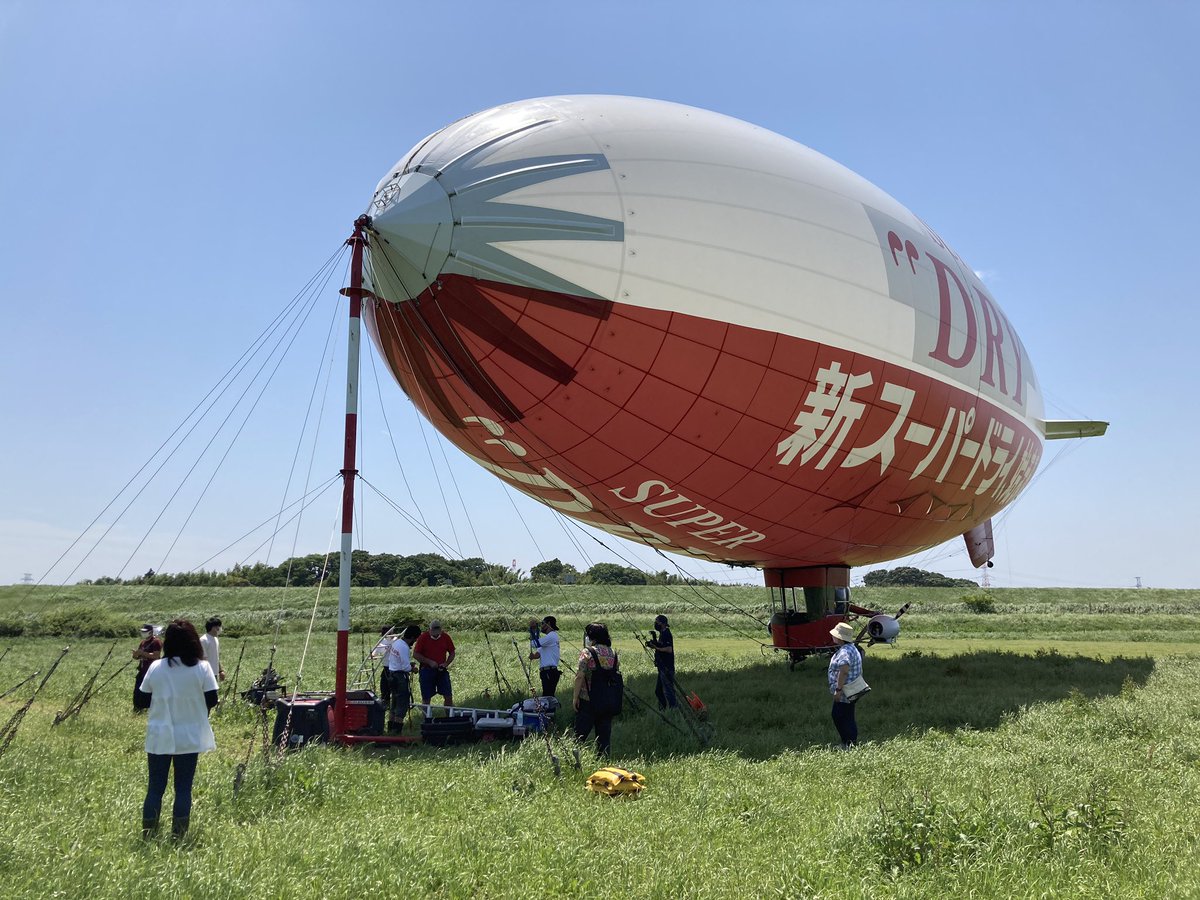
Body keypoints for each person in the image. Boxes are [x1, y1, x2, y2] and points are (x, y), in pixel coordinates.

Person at [135, 619, 219, 840]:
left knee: (155, 788)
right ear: (194, 641)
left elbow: (142, 699)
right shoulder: (203, 668)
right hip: (189, 734)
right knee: (183, 789)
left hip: (159, 733)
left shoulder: (156, 667)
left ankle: (149, 834)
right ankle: (178, 836)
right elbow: (212, 699)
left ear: (169, 642)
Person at [573, 621, 618, 756]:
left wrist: (575, 697)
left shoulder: (587, 652)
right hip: (607, 700)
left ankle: (575, 761)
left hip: (588, 699)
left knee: (579, 737)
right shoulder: (613, 653)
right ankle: (604, 765)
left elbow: (580, 676)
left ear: (592, 636)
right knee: (604, 739)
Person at [374, 625, 419, 731]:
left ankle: (390, 727)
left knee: (394, 702)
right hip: (400, 677)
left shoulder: (397, 643)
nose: (415, 641)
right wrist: (413, 669)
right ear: (412, 637)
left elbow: (397, 660)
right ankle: (397, 730)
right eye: (415, 639)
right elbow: (405, 667)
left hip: (392, 675)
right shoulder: (404, 647)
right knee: (402, 703)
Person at [827, 621, 862, 749]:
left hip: (845, 691)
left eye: (835, 634)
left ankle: (847, 743)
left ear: (840, 638)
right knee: (848, 715)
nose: (832, 636)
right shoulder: (852, 648)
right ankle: (850, 742)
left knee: (838, 715)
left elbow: (844, 670)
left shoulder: (844, 652)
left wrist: (838, 689)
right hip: (853, 689)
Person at [412, 619, 455, 708]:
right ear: (430, 630)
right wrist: (429, 661)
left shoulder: (445, 637)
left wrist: (446, 663)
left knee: (448, 696)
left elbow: (452, 652)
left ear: (441, 631)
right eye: (433, 633)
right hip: (426, 670)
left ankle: (449, 718)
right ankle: (427, 719)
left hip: (441, 670)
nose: (436, 636)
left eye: (438, 634)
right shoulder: (423, 637)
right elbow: (416, 654)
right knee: (426, 697)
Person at [645, 614, 678, 710]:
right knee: (658, 691)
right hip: (661, 667)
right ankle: (662, 710)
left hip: (667, 668)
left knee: (668, 691)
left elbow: (668, 649)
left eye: (657, 622)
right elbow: (660, 645)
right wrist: (654, 643)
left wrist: (656, 647)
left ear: (663, 624)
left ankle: (674, 710)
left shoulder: (667, 633)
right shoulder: (662, 633)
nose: (655, 624)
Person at [528, 615, 561, 698]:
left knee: (547, 697)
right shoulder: (548, 638)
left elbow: (534, 644)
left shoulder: (551, 636)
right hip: (547, 672)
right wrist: (533, 656)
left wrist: (533, 631)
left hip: (549, 672)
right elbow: (538, 654)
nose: (541, 626)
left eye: (542, 623)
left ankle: (550, 711)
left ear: (548, 624)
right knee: (547, 696)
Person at [132, 624, 162, 713]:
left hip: (152, 671)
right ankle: (137, 708)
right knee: (137, 690)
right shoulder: (142, 642)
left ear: (151, 632)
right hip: (142, 670)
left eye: (145, 632)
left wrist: (142, 653)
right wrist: (135, 655)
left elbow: (156, 656)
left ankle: (150, 708)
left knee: (151, 691)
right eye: (142, 631)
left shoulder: (156, 642)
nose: (143, 633)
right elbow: (139, 656)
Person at [199, 617, 225, 681]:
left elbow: (216, 657)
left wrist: (220, 670)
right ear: (213, 628)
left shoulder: (215, 639)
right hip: (206, 674)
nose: (220, 629)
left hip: (215, 673)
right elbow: (203, 659)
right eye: (218, 627)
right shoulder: (203, 640)